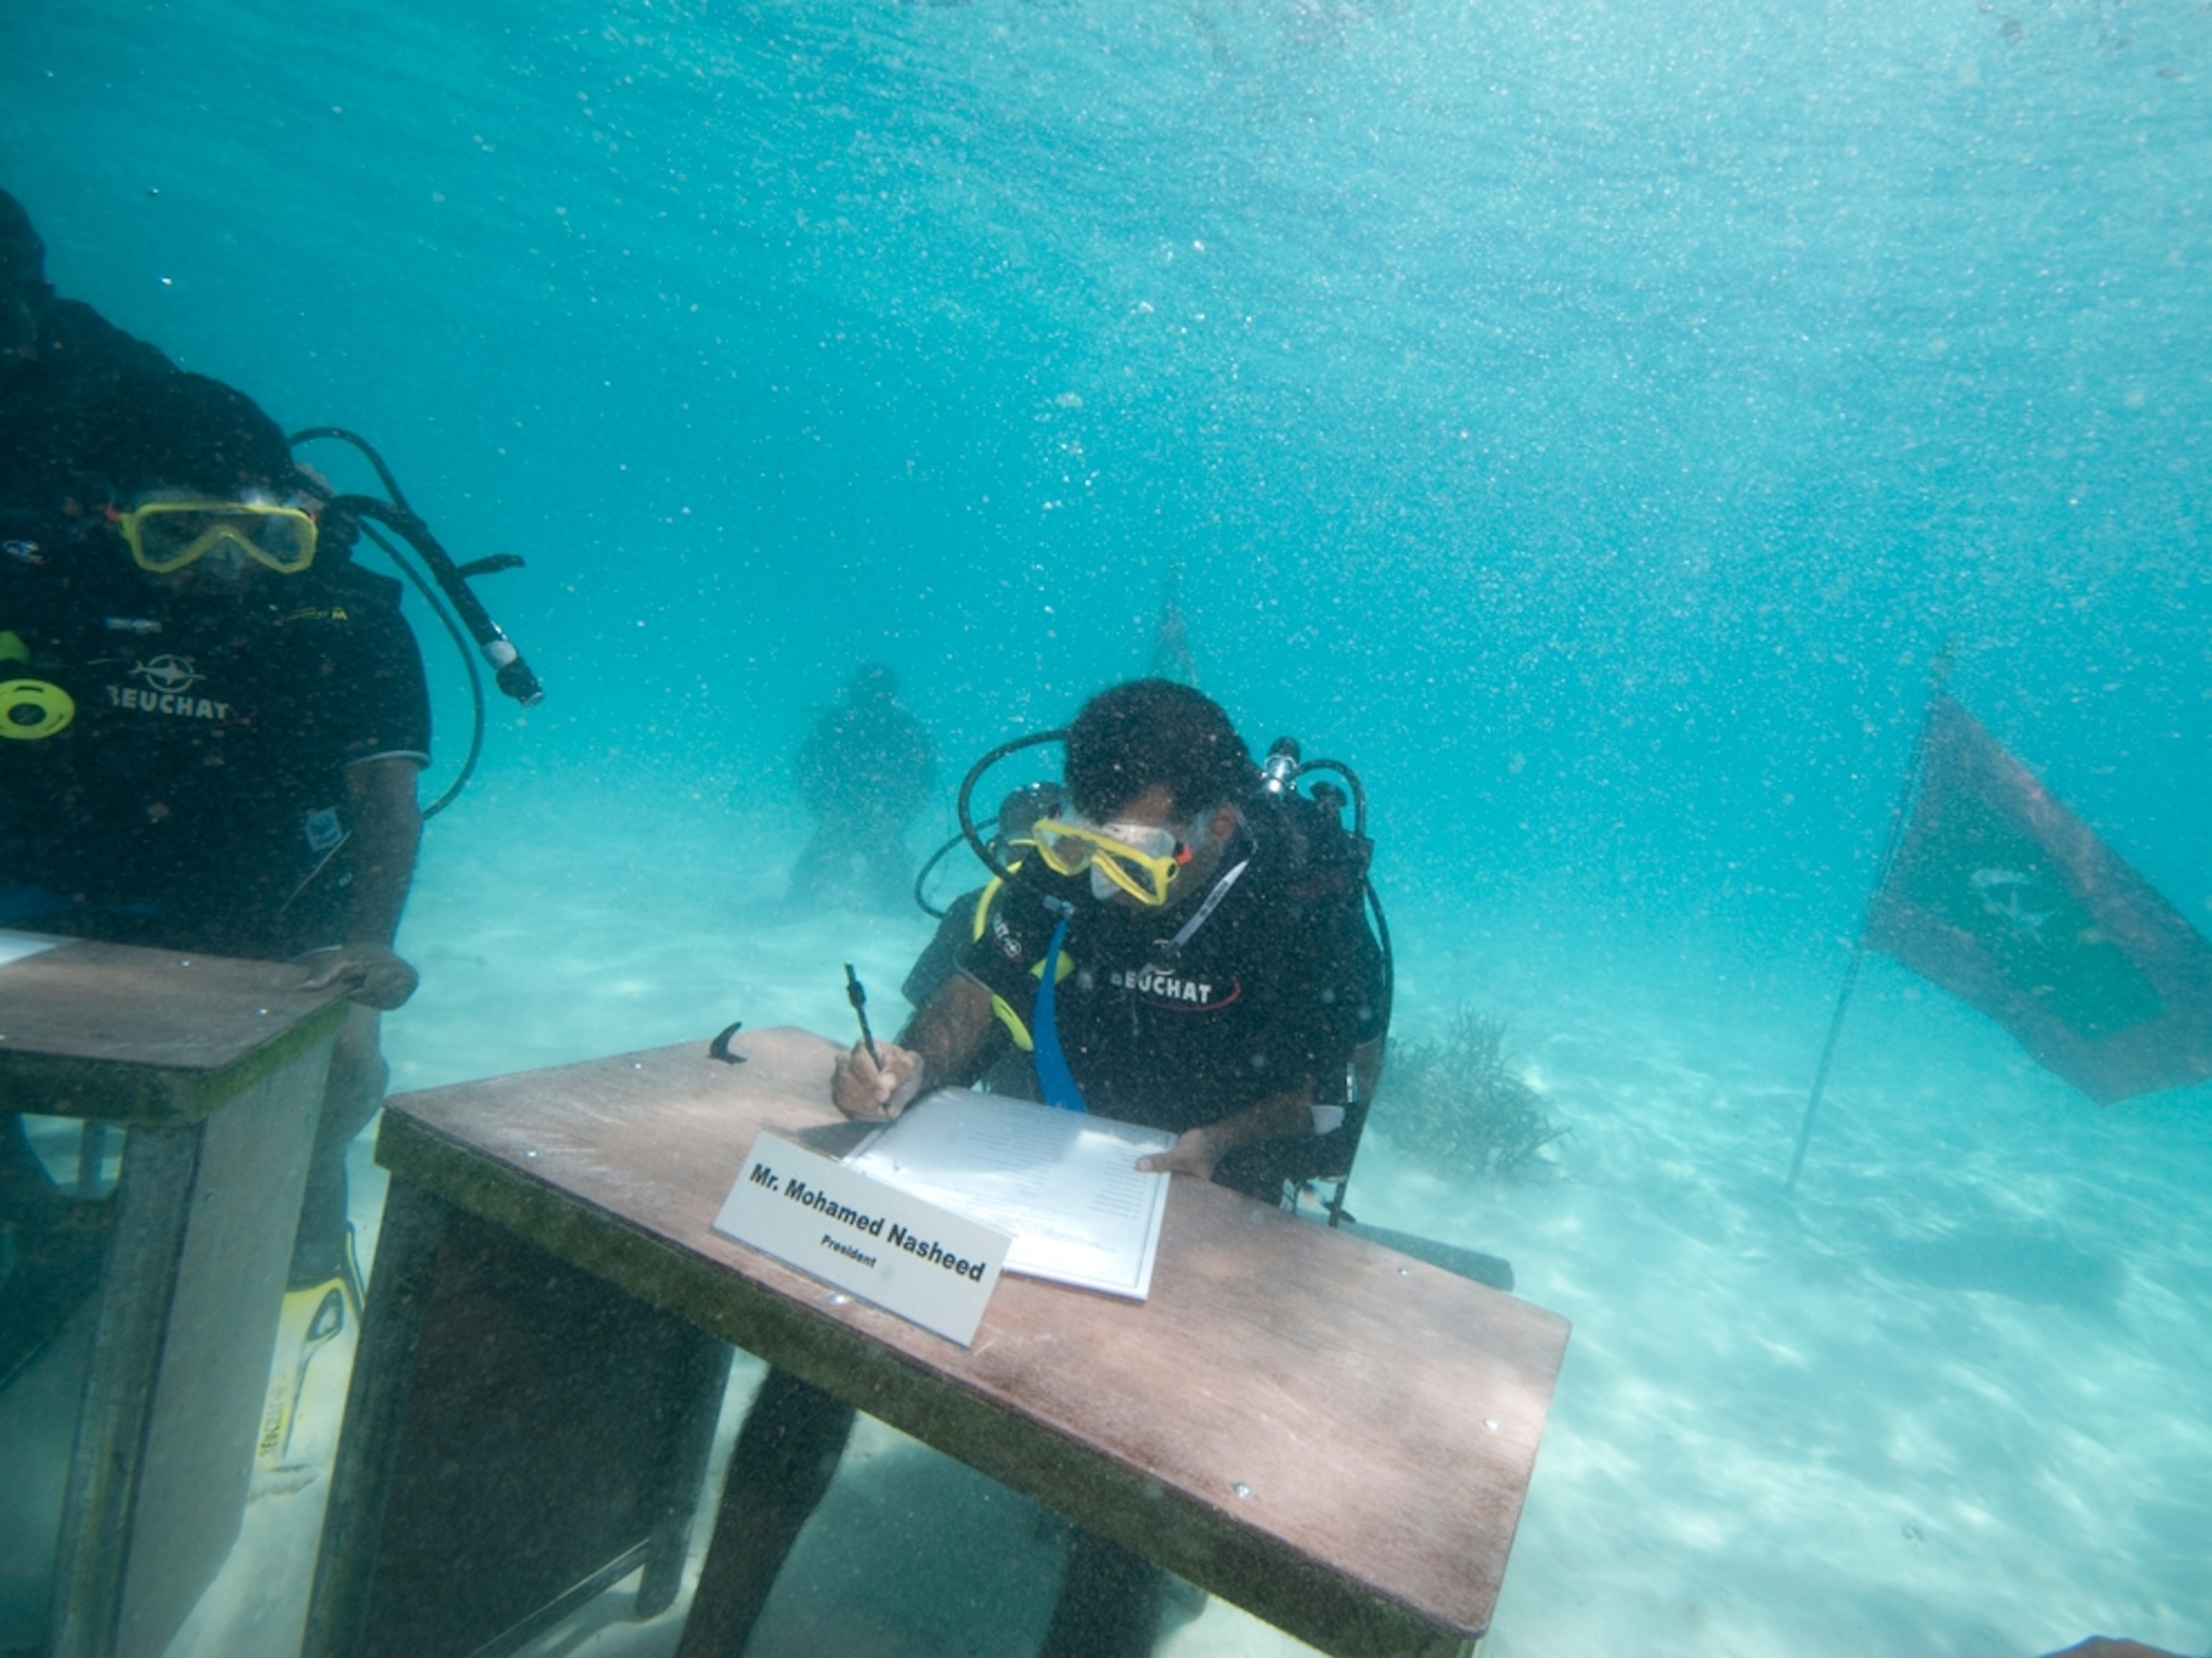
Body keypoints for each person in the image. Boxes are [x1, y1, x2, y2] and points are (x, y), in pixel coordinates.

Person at [693, 680, 1385, 1657]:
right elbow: (981, 982)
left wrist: (1219, 1145)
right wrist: (912, 1061)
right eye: (1076, 845)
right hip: (1057, 1142)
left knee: (1135, 1463)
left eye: (1132, 860)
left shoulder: (1300, 905)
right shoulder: (1069, 867)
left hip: (1211, 1163)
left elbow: (1329, 1096)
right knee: (827, 1337)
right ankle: (708, 1640)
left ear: (1218, 824)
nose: (1096, 885)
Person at [0, 194, 430, 1401]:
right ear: (109, 521)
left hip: (259, 902)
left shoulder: (344, 624)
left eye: (257, 539)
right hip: (65, 877)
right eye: (177, 535)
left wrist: (366, 947)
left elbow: (384, 809)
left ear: (300, 527)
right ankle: (45, 1222)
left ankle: (288, 1245)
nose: (223, 568)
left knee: (342, 1060)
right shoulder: (46, 590)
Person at [782, 663, 937, 911]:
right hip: (843, 820)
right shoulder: (833, 724)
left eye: (880, 692)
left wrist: (896, 820)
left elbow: (924, 782)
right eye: (869, 691)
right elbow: (805, 772)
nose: (873, 699)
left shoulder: (908, 731)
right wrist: (827, 813)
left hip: (880, 824)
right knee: (800, 895)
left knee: (897, 904)